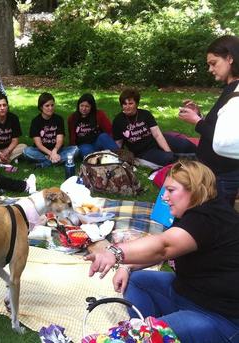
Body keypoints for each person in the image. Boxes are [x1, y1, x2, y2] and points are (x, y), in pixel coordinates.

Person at [86, 160, 239, 343]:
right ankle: (145, 329)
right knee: (136, 281)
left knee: (146, 336)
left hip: (218, 317)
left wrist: (114, 252)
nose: (164, 197)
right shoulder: (193, 212)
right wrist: (127, 267)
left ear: (195, 189)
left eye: (171, 190)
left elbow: (163, 247)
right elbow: (166, 251)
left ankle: (149, 334)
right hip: (186, 293)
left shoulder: (208, 218)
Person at [179, 35, 239, 206]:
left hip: (223, 176)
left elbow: (225, 141)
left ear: (230, 58)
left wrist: (197, 121)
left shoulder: (236, 93)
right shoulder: (231, 88)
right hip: (215, 172)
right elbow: (222, 127)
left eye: (213, 63)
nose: (210, 69)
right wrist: (200, 115)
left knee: (217, 221)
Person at [112, 88, 196, 166]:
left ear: (136, 104)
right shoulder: (118, 121)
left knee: (185, 145)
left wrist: (168, 151)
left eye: (130, 103)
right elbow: (118, 144)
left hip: (155, 141)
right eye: (124, 104)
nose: (127, 107)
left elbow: (157, 134)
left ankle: (203, 154)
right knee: (170, 159)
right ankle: (193, 162)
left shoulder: (145, 114)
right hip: (143, 152)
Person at [23, 92, 78, 168]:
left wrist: (54, 151)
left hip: (58, 150)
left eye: (52, 105)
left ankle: (45, 164)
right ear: (41, 107)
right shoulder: (35, 121)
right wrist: (51, 154)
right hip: (41, 151)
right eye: (47, 106)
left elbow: (60, 140)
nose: (50, 108)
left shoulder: (59, 119)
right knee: (26, 151)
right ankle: (55, 161)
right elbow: (38, 144)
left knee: (75, 149)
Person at [67, 93, 117, 159]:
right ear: (78, 106)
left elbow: (109, 130)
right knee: (88, 151)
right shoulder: (72, 118)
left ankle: (119, 156)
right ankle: (99, 161)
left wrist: (110, 142)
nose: (84, 109)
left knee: (104, 136)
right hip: (83, 145)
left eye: (87, 106)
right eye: (82, 106)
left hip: (97, 142)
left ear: (91, 107)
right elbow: (72, 137)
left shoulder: (99, 114)